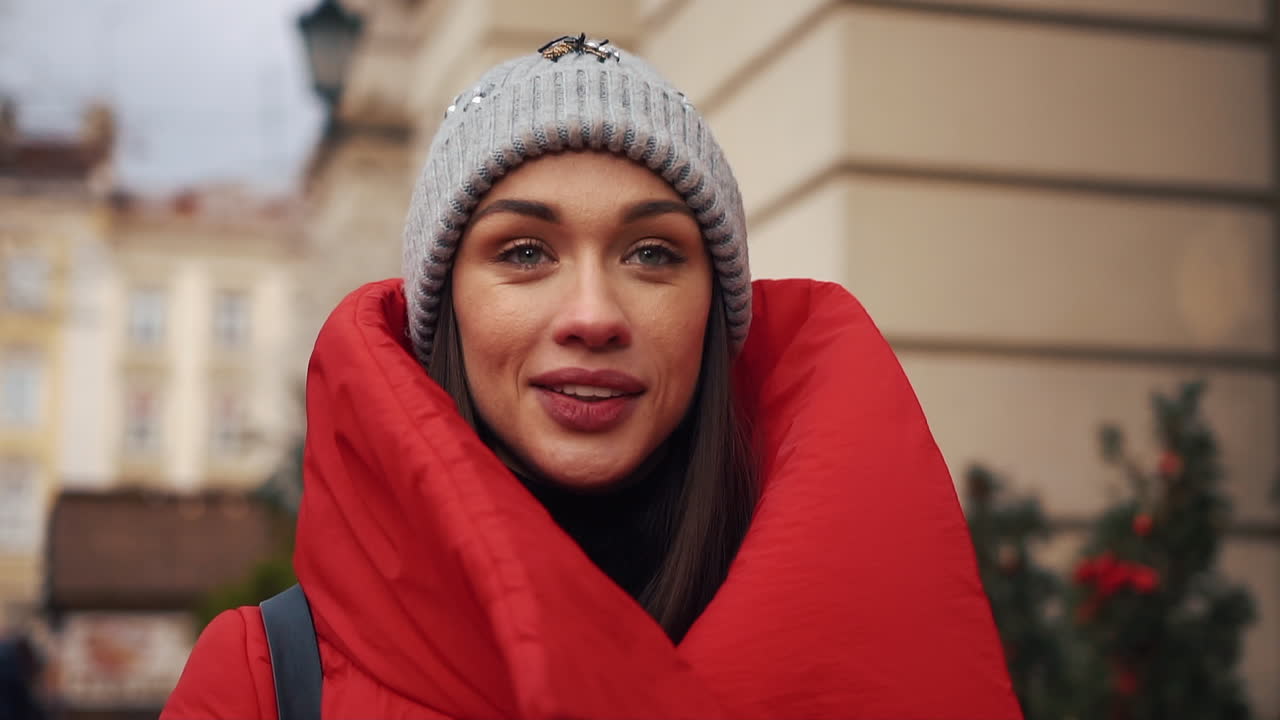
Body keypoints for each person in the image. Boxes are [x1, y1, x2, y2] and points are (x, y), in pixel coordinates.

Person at [162, 35, 1021, 719]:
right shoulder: (267, 681)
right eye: (524, 252)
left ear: (712, 317)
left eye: (652, 254)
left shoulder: (875, 642)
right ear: (446, 310)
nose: (593, 314)